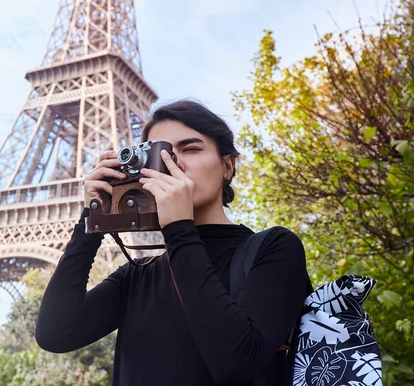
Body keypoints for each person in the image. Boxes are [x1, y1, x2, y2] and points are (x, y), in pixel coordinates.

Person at [35, 100, 309, 386]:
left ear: (227, 166)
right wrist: (92, 221)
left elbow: (237, 364)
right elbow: (55, 333)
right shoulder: (139, 274)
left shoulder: (274, 248)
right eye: (159, 153)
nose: (172, 162)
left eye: (190, 149)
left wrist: (179, 227)